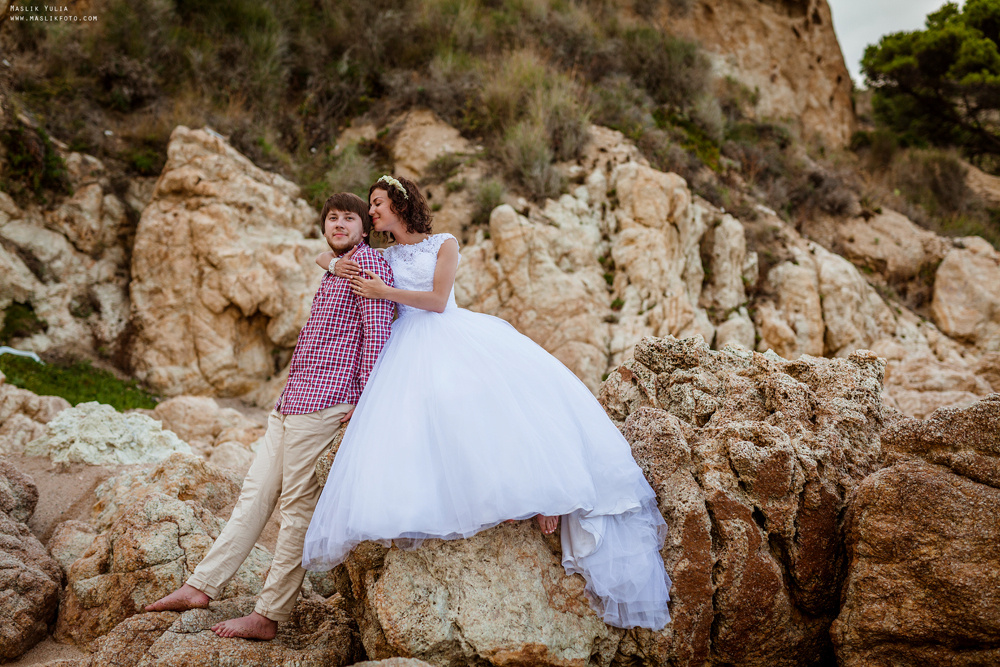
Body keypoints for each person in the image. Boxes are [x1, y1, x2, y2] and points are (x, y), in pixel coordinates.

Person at [303, 175, 671, 630]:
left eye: (377, 204)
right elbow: (327, 256)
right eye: (371, 207)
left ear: (399, 204)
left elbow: (438, 301)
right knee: (418, 426)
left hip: (449, 334)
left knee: (492, 410)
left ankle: (545, 495)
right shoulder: (382, 256)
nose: (372, 212)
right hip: (402, 349)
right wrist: (336, 266)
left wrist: (385, 293)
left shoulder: (444, 243)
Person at [144, 193, 395, 639]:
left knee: (296, 510)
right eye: (331, 218)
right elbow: (327, 271)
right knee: (254, 494)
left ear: (365, 227)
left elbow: (377, 337)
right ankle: (201, 585)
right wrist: (331, 263)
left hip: (327, 402)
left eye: (349, 218)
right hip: (291, 399)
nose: (338, 224)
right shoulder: (336, 267)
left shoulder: (370, 267)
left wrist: (363, 403)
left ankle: (269, 615)